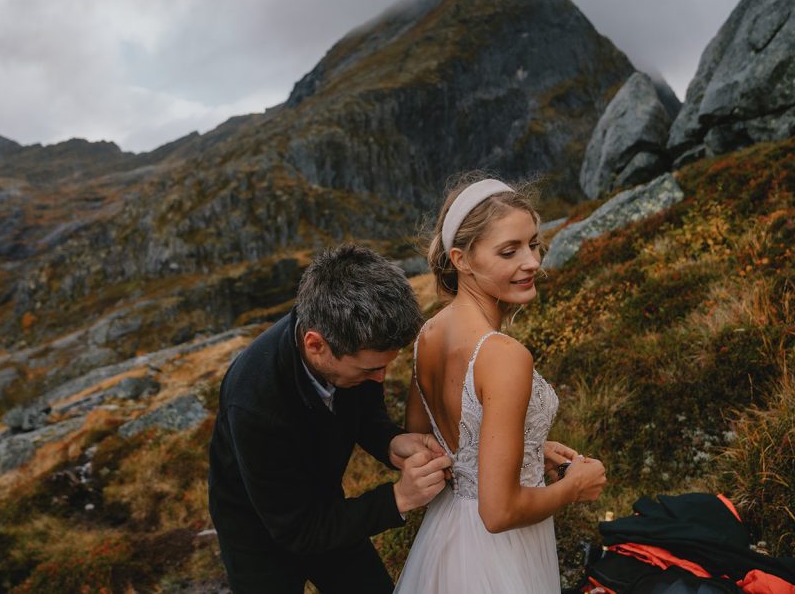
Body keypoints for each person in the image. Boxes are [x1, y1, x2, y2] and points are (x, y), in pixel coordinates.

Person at [393, 173, 608, 593]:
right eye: (509, 251)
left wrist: (524, 449)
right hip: (498, 553)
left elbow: (424, 443)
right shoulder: (504, 356)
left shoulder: (429, 335)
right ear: (462, 259)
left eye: (533, 244)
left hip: (448, 536)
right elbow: (499, 511)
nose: (531, 262)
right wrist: (575, 486)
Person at [208, 243, 453, 594]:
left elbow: (364, 411)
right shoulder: (253, 403)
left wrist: (389, 442)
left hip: (327, 507)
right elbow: (298, 530)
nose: (380, 379)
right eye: (371, 369)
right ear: (315, 345)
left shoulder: (352, 342)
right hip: (257, 534)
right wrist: (399, 498)